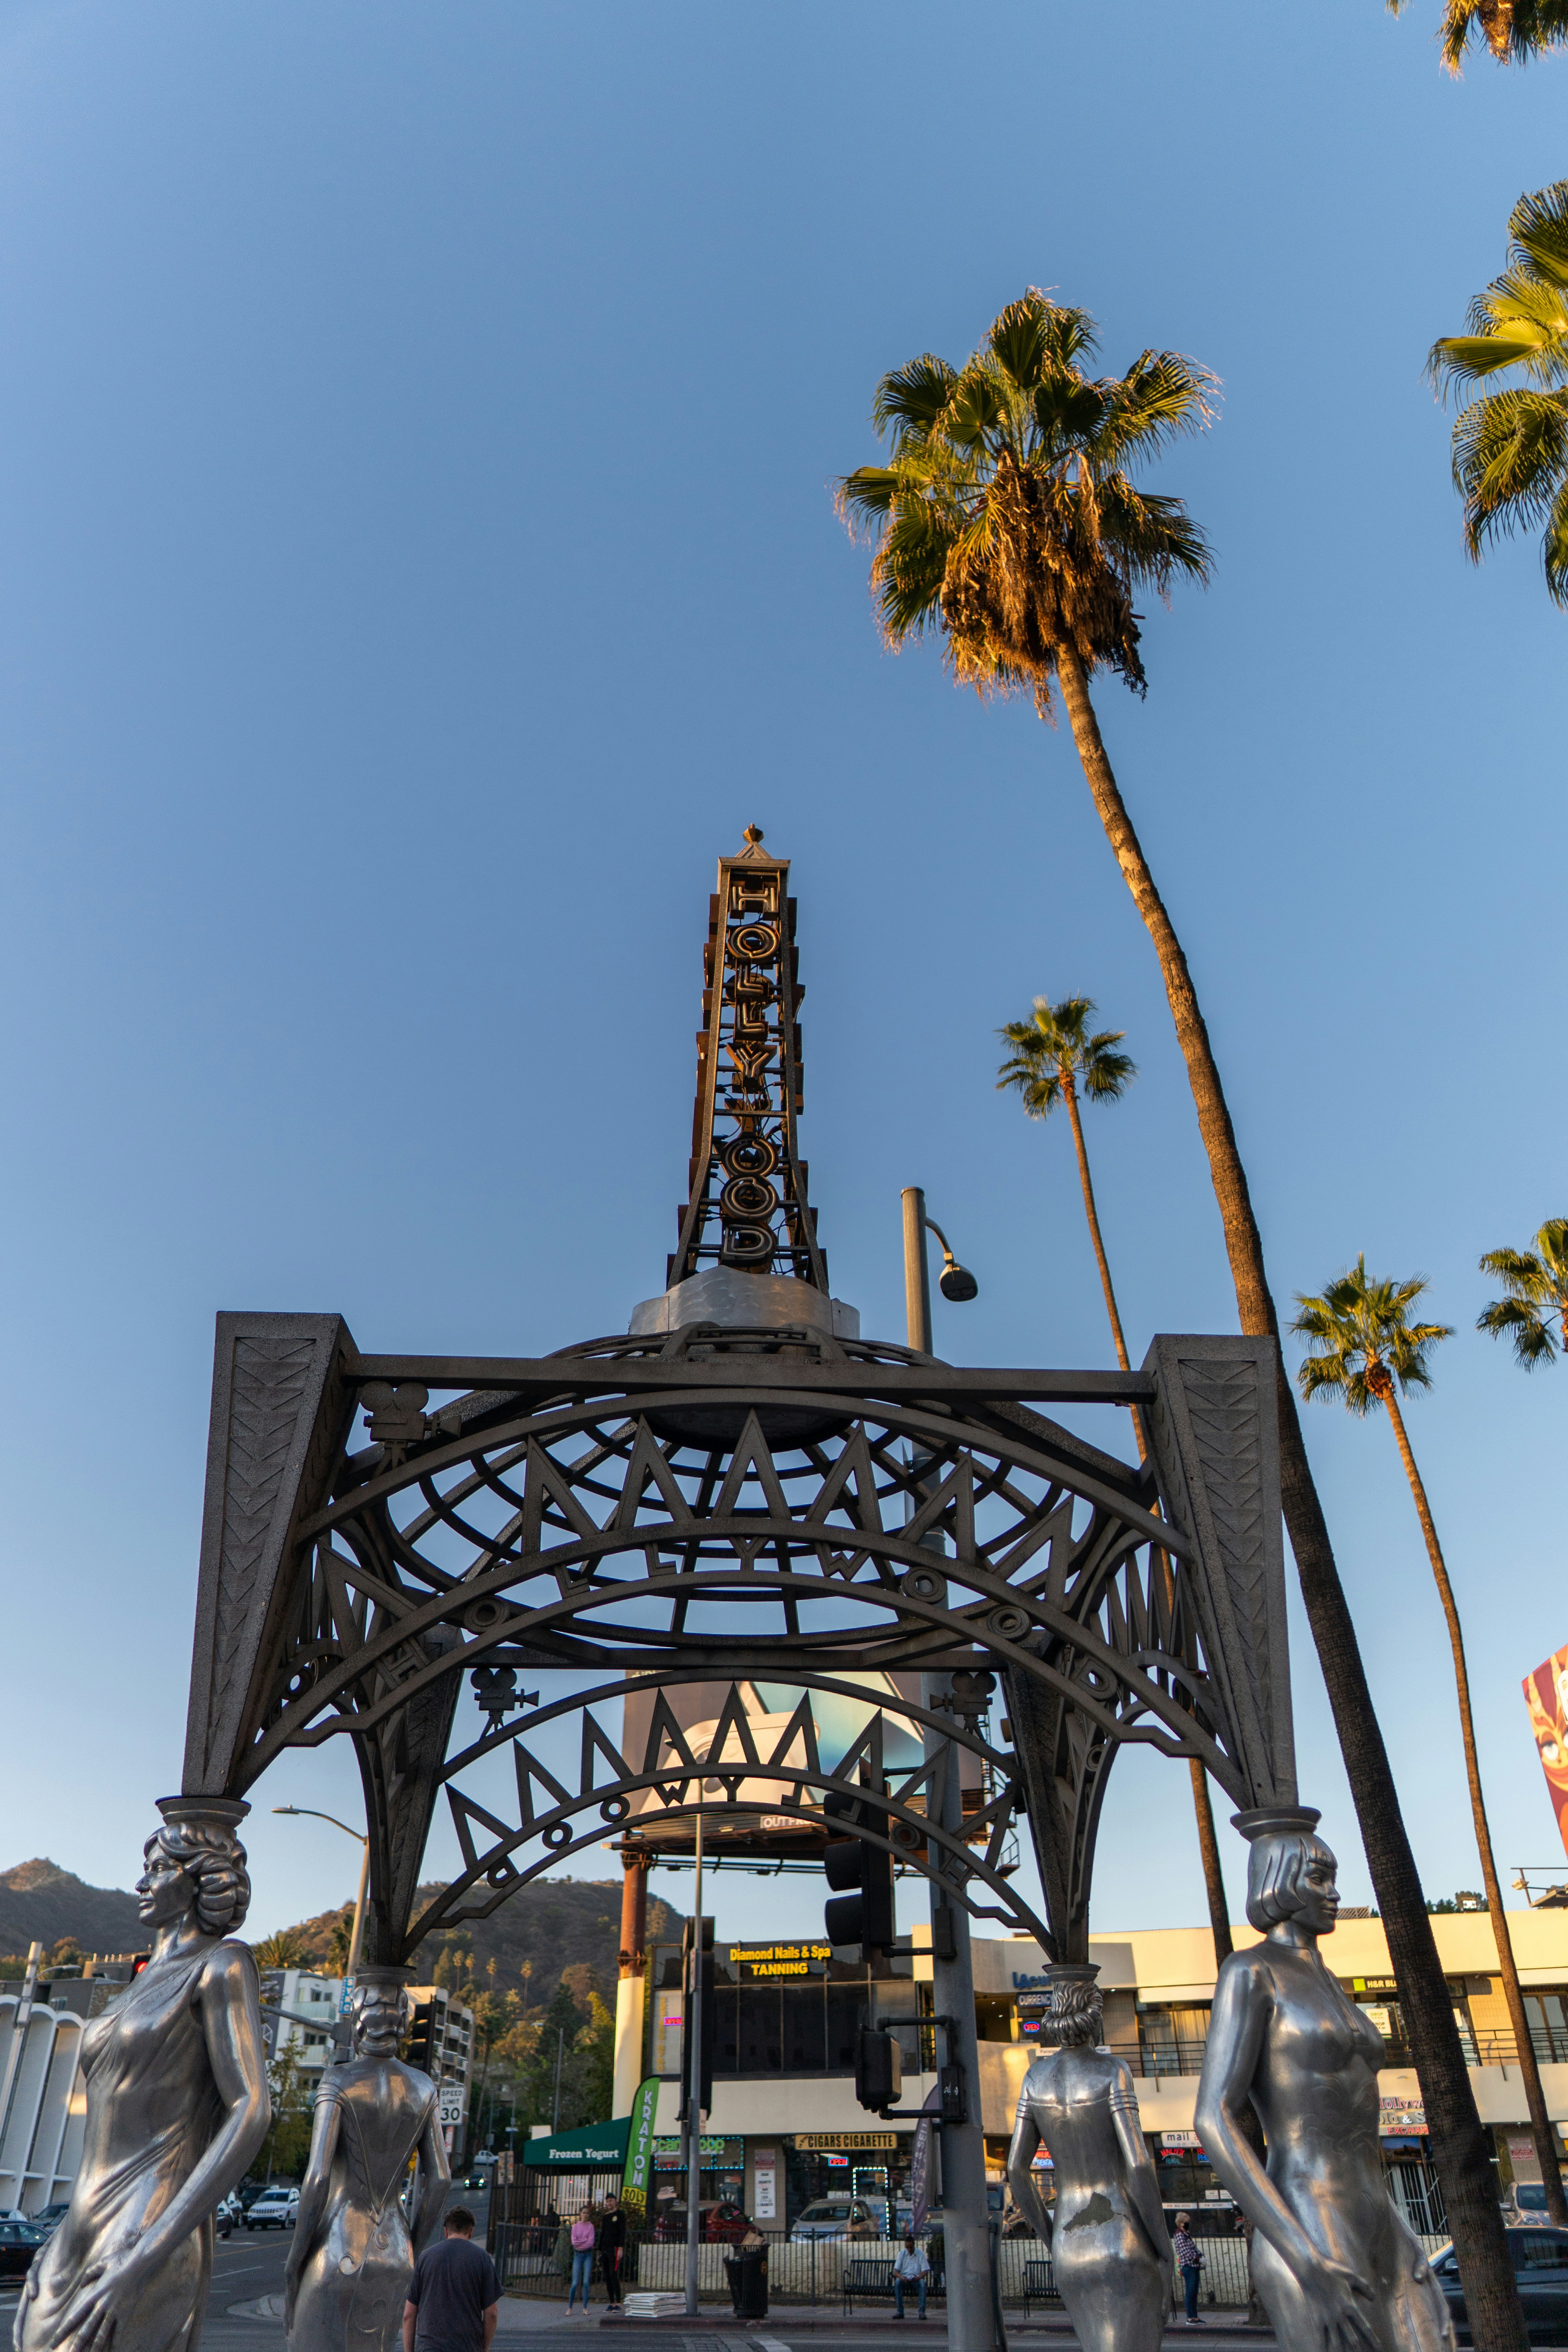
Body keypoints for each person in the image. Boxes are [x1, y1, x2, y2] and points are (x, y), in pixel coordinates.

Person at [1195, 1807, 1455, 2352]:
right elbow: (1213, 2116)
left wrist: (1400, 2228)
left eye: (1333, 1876)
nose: (1334, 1891)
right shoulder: (1251, 1971)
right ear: (1279, 1880)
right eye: (1319, 1877)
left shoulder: (1330, 1980)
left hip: (1378, 2217)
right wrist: (1305, 2259)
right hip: (1310, 2219)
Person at [16, 1799, 271, 2352]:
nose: (141, 1880)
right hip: (79, 2226)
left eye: (158, 1868)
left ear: (201, 1878)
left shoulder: (223, 1964)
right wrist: (58, 2236)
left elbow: (252, 2106)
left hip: (148, 2222)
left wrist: (149, 2251)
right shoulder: (140, 1981)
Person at [285, 1969, 449, 2350]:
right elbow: (440, 2180)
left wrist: (294, 2262)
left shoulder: (338, 2080)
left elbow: (317, 2179)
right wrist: (413, 2247)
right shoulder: (425, 2088)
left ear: (358, 2024)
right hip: (395, 2251)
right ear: (404, 2025)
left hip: (340, 2244)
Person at [1007, 1966, 1168, 2352]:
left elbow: (1015, 2169)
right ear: (1094, 2016)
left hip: (1068, 2240)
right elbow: (1140, 2164)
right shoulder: (1113, 2070)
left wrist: (1051, 2239)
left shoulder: (1034, 2078)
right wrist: (1164, 2249)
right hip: (1119, 2235)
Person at [403, 2208, 501, 2352]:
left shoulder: (425, 2258)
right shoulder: (482, 2259)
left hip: (430, 2348)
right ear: (471, 2231)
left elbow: (409, 2315)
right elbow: (491, 2314)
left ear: (446, 2231)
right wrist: (484, 2348)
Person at [1172, 2214, 1204, 2324]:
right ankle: (1190, 2317)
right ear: (1181, 2223)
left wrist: (1201, 2256)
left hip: (1194, 2266)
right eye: (1186, 2221)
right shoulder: (1180, 2236)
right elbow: (1186, 2252)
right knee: (1190, 2292)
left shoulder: (1186, 2234)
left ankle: (1195, 2317)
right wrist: (1198, 2258)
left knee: (1195, 2292)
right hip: (1188, 2266)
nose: (1188, 2223)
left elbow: (1193, 2248)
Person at [893, 2233, 931, 2321]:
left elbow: (925, 2271)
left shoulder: (920, 2254)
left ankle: (922, 2312)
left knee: (923, 2284)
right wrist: (902, 2277)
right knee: (898, 2282)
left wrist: (918, 2278)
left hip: (916, 2279)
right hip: (905, 2279)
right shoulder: (902, 2254)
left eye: (911, 2247)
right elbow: (896, 2271)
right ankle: (900, 2312)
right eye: (908, 2248)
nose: (909, 2249)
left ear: (914, 2245)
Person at [567, 2204, 597, 2312]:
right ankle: (570, 2307)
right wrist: (585, 2240)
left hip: (588, 2255)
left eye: (587, 2213)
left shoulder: (591, 2227)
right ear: (580, 2214)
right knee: (575, 2283)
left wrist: (583, 2242)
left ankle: (585, 2307)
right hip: (578, 2255)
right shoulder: (575, 2227)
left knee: (586, 2282)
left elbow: (591, 2242)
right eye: (584, 2213)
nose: (585, 2215)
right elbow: (574, 2242)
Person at [599, 2196, 627, 2307]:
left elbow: (622, 2231)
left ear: (615, 2201)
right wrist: (599, 2249)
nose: (609, 2203)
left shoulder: (620, 2214)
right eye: (607, 2201)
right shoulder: (606, 2217)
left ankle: (618, 2302)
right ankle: (611, 2302)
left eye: (611, 2201)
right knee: (607, 2275)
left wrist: (621, 2247)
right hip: (605, 2248)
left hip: (614, 2249)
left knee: (613, 2274)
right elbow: (603, 2233)